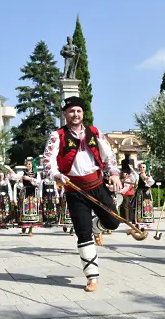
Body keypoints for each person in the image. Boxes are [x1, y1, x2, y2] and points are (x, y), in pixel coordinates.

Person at [42, 96, 122, 292]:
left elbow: (108, 155)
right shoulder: (57, 135)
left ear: (82, 113)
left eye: (78, 111)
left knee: (113, 222)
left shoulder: (94, 132)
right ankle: (92, 277)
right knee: (82, 233)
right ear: (65, 114)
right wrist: (56, 174)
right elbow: (47, 160)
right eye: (71, 111)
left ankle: (97, 227)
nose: (75, 114)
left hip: (97, 185)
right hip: (75, 190)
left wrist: (113, 174)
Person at [16, 157, 42, 236]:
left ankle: (30, 229)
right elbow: (15, 177)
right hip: (25, 192)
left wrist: (30, 179)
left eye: (29, 164)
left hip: (33, 192)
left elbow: (38, 182)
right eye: (27, 164)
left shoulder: (37, 173)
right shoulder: (23, 172)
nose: (27, 165)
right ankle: (24, 225)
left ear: (32, 165)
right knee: (24, 208)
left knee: (33, 210)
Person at [134, 162, 155, 230]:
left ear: (146, 169)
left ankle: (147, 222)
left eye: (143, 167)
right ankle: (140, 223)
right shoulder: (137, 175)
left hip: (147, 193)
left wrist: (146, 178)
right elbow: (135, 182)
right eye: (141, 167)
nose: (142, 168)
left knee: (147, 207)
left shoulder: (148, 176)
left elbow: (151, 182)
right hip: (140, 193)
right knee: (140, 207)